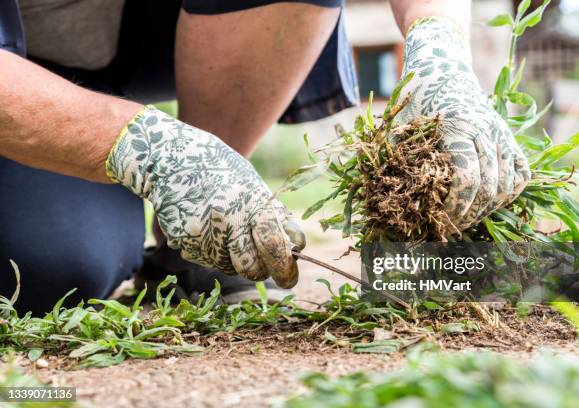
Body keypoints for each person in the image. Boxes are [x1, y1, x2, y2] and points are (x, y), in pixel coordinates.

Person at [0, 0, 529, 315]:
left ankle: (200, 242)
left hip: (156, 31)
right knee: (53, 268)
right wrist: (146, 148)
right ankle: (181, 187)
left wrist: (439, 47)